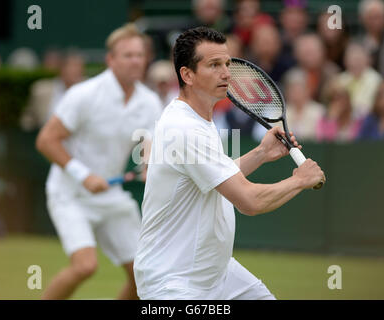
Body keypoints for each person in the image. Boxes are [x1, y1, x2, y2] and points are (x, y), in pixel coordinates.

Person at [133, 27, 325, 300]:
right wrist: (299, 180)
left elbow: (215, 178)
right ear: (187, 75)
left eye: (227, 63)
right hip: (173, 282)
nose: (226, 73)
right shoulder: (185, 129)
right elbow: (249, 201)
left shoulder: (199, 118)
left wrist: (259, 153)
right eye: (214, 65)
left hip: (216, 273)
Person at [35, 23, 163, 300]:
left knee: (145, 276)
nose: (135, 61)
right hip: (69, 194)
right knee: (85, 266)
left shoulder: (150, 102)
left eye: (140, 55)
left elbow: (149, 145)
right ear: (111, 60)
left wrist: (149, 163)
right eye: (127, 55)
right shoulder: (84, 94)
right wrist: (84, 175)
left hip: (111, 196)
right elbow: (46, 140)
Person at [20, 52, 85, 131]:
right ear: (62, 69)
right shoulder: (40, 89)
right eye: (72, 67)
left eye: (79, 68)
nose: (76, 71)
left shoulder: (88, 93)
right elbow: (28, 117)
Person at [336, 43, 382, 118]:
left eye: (358, 59)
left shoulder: (376, 80)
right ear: (345, 62)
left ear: (368, 60)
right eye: (352, 60)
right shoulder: (341, 80)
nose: (355, 63)